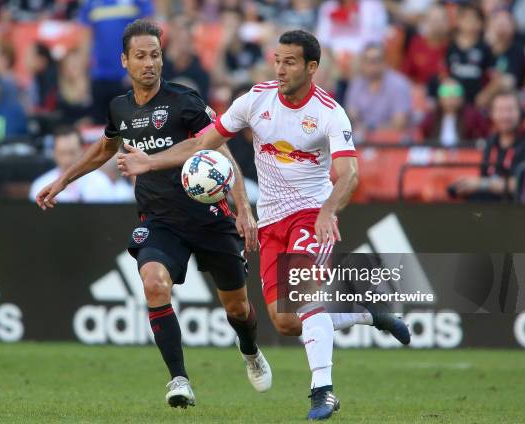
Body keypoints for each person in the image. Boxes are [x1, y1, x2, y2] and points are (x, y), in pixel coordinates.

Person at [117, 29, 411, 420]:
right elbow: (203, 141)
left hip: (311, 215)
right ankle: (370, 313)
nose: (281, 68)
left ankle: (322, 392)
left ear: (312, 67)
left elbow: (350, 173)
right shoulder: (257, 100)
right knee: (286, 321)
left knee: (305, 297)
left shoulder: (329, 113)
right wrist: (150, 163)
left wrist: (327, 212)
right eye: (277, 60)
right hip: (272, 221)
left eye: (290, 62)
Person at [36, 20, 272, 408]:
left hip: (211, 219)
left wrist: (244, 209)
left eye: (156, 55)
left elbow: (218, 152)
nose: (150, 63)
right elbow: (104, 148)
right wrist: (62, 181)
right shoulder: (120, 107)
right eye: (141, 56)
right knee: (153, 283)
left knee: (238, 308)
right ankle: (179, 379)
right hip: (160, 221)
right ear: (125, 61)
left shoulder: (186, 102)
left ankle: (249, 351)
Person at [450, 90, 525, 201]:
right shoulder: (491, 143)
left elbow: (523, 185)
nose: (505, 116)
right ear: (492, 114)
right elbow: (485, 177)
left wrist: (482, 184)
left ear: (520, 112)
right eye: (500, 110)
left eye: (510, 110)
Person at [29, 126, 115, 203]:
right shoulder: (41, 185)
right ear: (54, 153)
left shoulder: (101, 182)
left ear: (83, 150)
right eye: (62, 153)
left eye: (72, 152)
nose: (67, 160)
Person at [345, 43, 412, 141]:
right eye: (367, 61)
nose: (371, 65)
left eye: (375, 61)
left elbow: (399, 123)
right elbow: (351, 115)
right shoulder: (356, 84)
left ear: (384, 62)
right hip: (362, 140)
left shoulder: (399, 85)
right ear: (362, 64)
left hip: (392, 141)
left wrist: (371, 130)